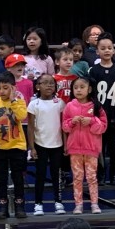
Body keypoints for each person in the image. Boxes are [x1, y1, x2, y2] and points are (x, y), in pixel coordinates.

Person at [0, 71, 29, 220]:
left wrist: (13, 100)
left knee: (18, 178)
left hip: (17, 147)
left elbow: (22, 116)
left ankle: (19, 206)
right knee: (1, 178)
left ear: (13, 87)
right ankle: (2, 207)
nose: (2, 91)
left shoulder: (19, 102)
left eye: (5, 88)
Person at [63, 76, 107, 215]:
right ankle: (78, 205)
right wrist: (72, 122)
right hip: (74, 149)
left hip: (91, 148)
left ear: (89, 89)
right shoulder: (69, 106)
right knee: (77, 178)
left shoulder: (96, 107)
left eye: (82, 87)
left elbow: (103, 127)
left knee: (92, 177)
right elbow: (64, 126)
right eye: (75, 87)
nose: (78, 90)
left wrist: (92, 121)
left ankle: (94, 204)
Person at [88, 32, 115, 184]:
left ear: (113, 50)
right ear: (97, 51)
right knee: (99, 146)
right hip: (98, 114)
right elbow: (90, 94)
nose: (106, 51)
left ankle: (113, 174)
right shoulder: (93, 70)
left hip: (114, 113)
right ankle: (101, 174)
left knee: (113, 145)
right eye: (103, 48)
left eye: (109, 48)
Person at [27, 73, 66, 216]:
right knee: (40, 175)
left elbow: (64, 125)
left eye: (52, 83)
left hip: (57, 145)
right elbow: (30, 127)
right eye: (45, 83)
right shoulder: (34, 104)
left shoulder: (60, 103)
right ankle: (38, 204)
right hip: (40, 145)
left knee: (57, 175)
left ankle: (58, 201)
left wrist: (65, 145)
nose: (49, 85)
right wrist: (32, 147)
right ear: (38, 86)